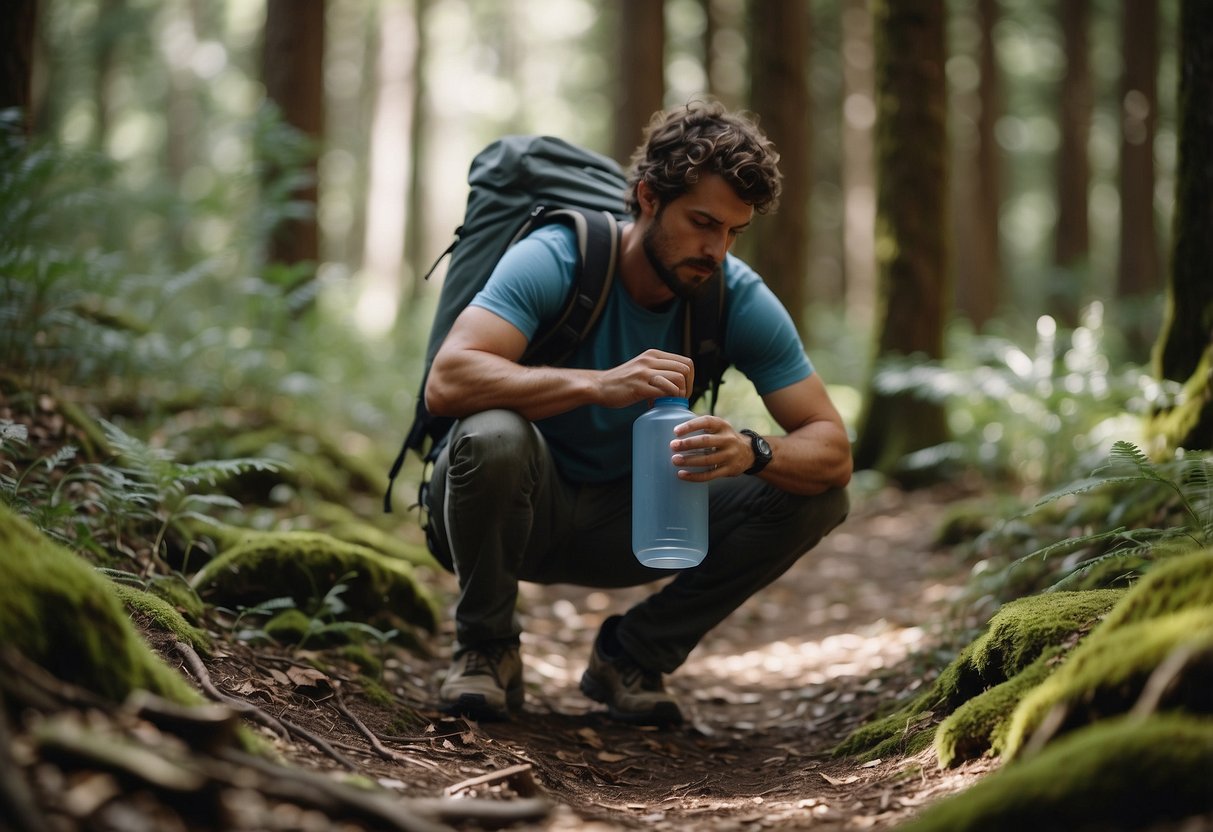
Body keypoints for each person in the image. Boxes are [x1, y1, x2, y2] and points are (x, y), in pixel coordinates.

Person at [422, 100, 852, 726]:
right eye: (702, 222)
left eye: (733, 231)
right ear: (649, 197)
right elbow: (448, 380)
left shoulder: (734, 296)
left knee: (815, 492)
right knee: (494, 434)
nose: (716, 250)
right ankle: (485, 648)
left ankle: (631, 656)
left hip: (636, 527)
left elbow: (833, 448)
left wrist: (754, 451)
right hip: (501, 509)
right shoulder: (558, 257)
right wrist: (597, 385)